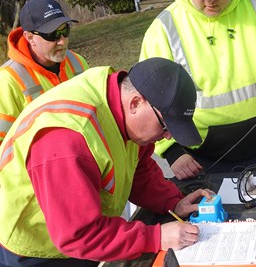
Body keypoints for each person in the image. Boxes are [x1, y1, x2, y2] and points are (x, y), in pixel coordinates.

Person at [0, 57, 213, 267]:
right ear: (136, 103)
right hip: (37, 248)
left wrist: (173, 202)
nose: (167, 137)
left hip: (82, 231)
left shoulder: (119, 100)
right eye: (165, 127)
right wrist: (155, 237)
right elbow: (78, 235)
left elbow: (138, 170)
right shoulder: (69, 140)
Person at [139, 0, 256, 180]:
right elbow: (150, 100)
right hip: (203, 159)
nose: (209, 0)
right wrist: (172, 152)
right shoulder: (164, 29)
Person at [0, 0, 89, 145]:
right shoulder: (7, 80)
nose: (62, 40)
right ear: (30, 38)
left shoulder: (78, 62)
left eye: (65, 30)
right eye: (52, 34)